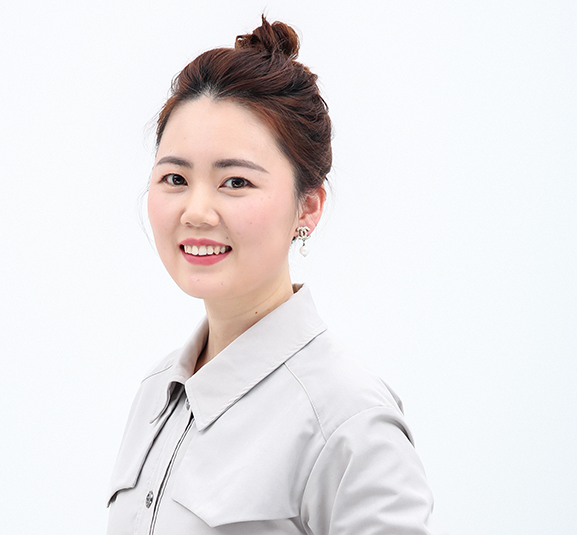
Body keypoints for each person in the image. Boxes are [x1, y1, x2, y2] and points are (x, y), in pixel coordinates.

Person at [107, 16, 440, 535]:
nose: (196, 211)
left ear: (308, 206)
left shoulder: (347, 420)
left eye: (235, 182)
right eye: (175, 177)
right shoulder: (157, 394)